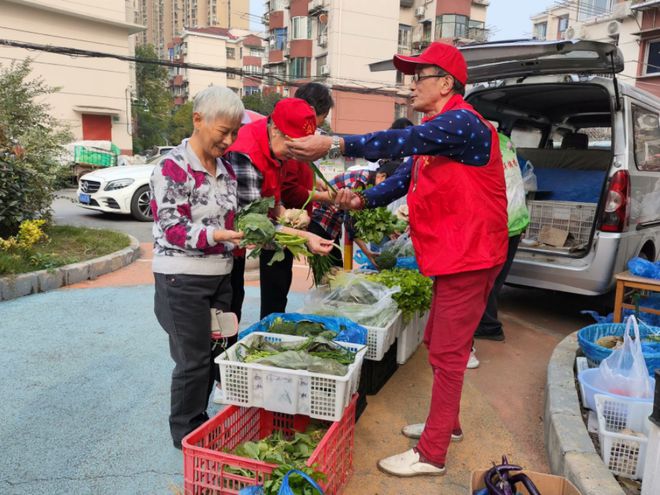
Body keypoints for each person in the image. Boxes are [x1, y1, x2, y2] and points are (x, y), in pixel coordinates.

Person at [288, 42, 509, 477]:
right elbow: (401, 180)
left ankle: (432, 454)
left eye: (419, 78)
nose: (410, 87)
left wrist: (336, 142)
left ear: (445, 84)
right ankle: (448, 426)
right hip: (457, 254)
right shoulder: (439, 132)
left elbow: (400, 139)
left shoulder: (462, 123)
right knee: (443, 344)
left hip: (471, 254)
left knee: (447, 352)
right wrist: (359, 200)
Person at [150, 86, 245, 450]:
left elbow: (237, 220)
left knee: (214, 354)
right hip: (181, 279)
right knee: (192, 360)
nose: (230, 139)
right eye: (224, 131)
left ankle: (199, 420)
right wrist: (220, 234)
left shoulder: (226, 170)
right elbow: (173, 228)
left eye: (235, 132)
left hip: (220, 278)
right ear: (198, 120)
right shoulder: (172, 167)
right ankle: (186, 433)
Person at [225, 97, 334, 322]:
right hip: (221, 248)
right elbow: (251, 223)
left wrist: (287, 215)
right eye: (292, 147)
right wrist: (304, 237)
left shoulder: (276, 149)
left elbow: (270, 199)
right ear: (275, 128)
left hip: (237, 245)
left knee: (234, 308)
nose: (295, 156)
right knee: (227, 311)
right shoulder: (246, 153)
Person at [259, 83, 336, 318]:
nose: (318, 127)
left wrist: (316, 184)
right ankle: (270, 329)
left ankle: (274, 324)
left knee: (281, 285)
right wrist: (324, 197)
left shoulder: (294, 141)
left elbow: (293, 185)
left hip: (289, 222)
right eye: (320, 119)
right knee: (275, 291)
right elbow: (290, 191)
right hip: (281, 227)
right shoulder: (288, 142)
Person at [309, 160, 400, 268]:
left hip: (331, 224)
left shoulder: (371, 188)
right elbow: (350, 223)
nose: (388, 193)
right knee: (329, 269)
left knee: (334, 268)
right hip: (320, 221)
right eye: (389, 188)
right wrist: (367, 252)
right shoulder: (361, 180)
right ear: (382, 176)